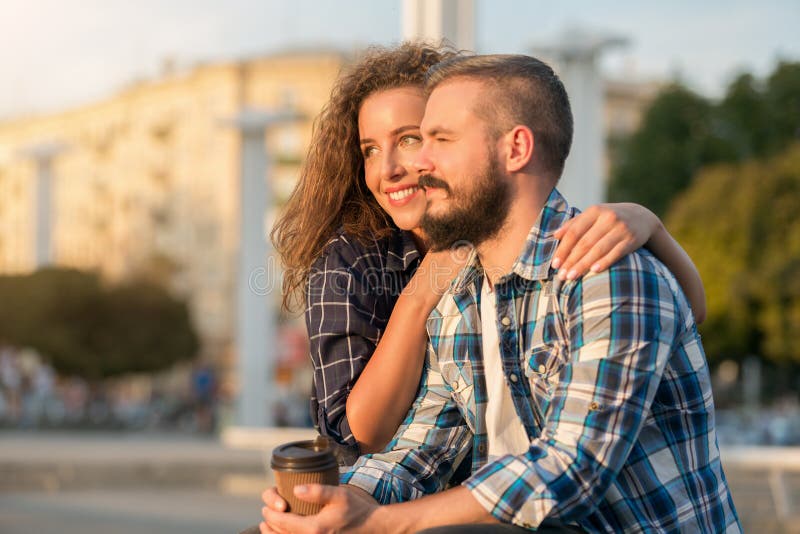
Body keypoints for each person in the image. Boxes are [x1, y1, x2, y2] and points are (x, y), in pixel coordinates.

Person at [260, 53, 740, 533]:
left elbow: (570, 470)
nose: (418, 164)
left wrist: (383, 523)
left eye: (439, 140)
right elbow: (418, 449)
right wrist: (334, 503)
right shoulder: (458, 299)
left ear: (516, 149)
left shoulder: (607, 274)